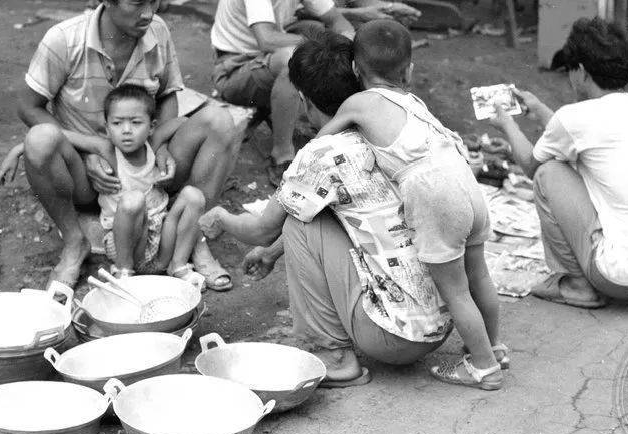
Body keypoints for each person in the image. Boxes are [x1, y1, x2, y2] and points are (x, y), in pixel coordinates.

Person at [199, 32, 507, 388]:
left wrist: (221, 217)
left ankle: (333, 356)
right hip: (439, 323)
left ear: (303, 98)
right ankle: (491, 350)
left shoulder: (322, 151)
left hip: (392, 337)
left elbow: (261, 229)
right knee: (319, 206)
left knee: (298, 221)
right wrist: (272, 253)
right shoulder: (395, 126)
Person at [7, 0, 238, 290]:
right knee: (39, 141)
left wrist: (160, 144)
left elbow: (168, 94)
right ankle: (75, 241)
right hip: (93, 176)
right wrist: (90, 148)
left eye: (154, 0)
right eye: (137, 3)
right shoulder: (63, 40)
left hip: (146, 165)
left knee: (221, 120)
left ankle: (195, 240)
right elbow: (28, 106)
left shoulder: (157, 31)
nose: (148, 13)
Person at [312, 19, 505, 389]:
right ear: (411, 71)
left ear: (355, 70)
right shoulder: (414, 102)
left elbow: (322, 141)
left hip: (434, 193)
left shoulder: (358, 102)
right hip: (464, 181)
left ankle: (483, 367)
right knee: (478, 274)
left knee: (456, 289)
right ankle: (494, 348)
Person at [488, 17, 628, 308]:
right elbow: (583, 137)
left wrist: (508, 125)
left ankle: (577, 284)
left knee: (548, 173)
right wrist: (539, 111)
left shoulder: (574, 118)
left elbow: (531, 165)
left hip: (619, 277)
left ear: (582, 72)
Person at [210, 0, 355, 185]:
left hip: (264, 61)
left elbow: (338, 21)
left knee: (321, 32)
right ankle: (281, 154)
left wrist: (353, 50)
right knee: (296, 55)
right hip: (233, 69)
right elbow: (265, 39)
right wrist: (327, 50)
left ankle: (331, 124)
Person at [93, 84, 206, 284]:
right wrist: (22, 147)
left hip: (161, 231)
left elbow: (183, 121)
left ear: (151, 126)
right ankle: (124, 272)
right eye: (117, 123)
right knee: (134, 199)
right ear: (106, 127)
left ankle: (177, 266)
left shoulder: (151, 145)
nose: (126, 130)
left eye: (136, 123)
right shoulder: (108, 151)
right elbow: (66, 137)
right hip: (127, 240)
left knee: (193, 196)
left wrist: (161, 146)